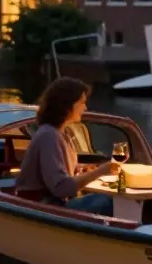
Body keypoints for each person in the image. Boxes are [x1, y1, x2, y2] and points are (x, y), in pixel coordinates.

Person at [14, 77, 119, 216]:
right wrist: (100, 171)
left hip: (54, 203)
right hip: (43, 207)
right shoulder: (49, 136)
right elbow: (61, 188)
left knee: (112, 200)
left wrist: (82, 170)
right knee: (110, 201)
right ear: (67, 105)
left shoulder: (62, 133)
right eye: (82, 102)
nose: (85, 108)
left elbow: (59, 173)